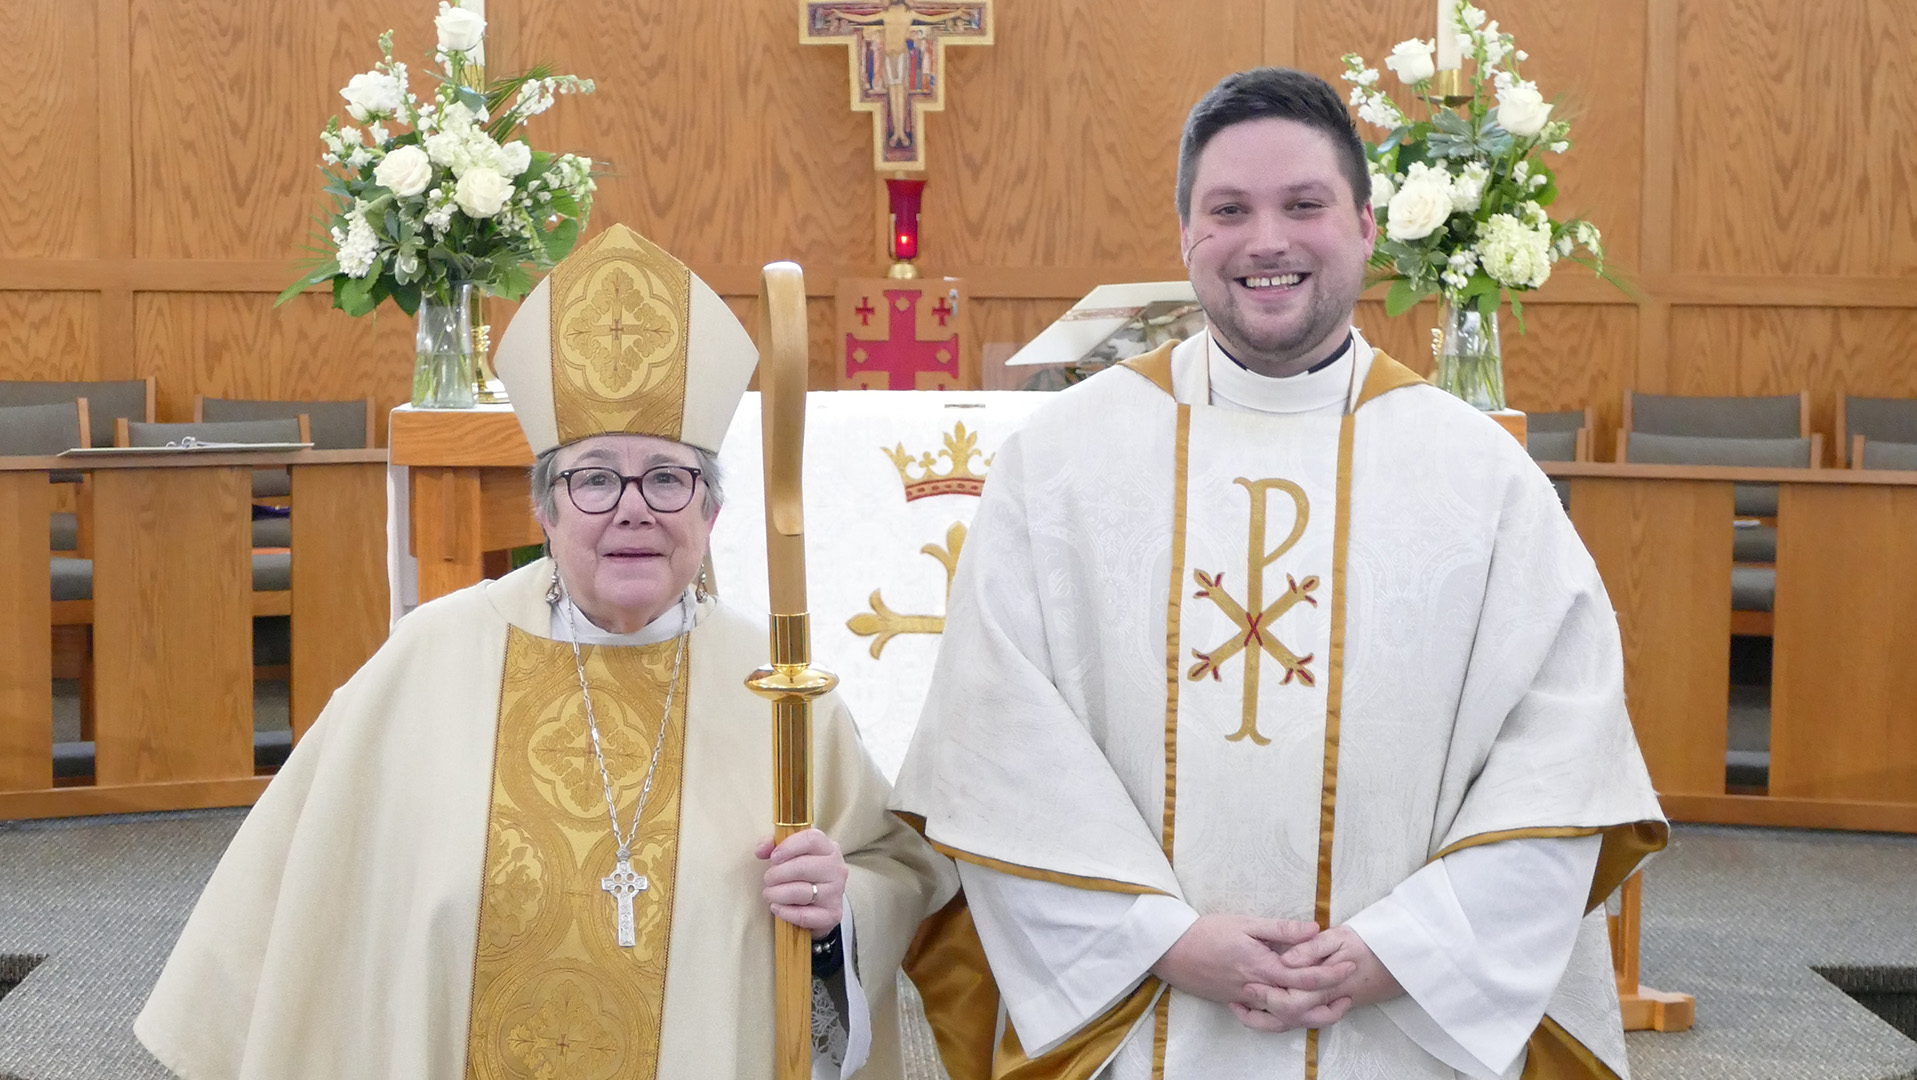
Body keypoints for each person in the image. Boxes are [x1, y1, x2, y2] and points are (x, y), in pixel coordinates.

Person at [892, 68, 1666, 1080]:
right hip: (1143, 1023)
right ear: (1183, 237)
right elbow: (996, 744)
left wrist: (1404, 948)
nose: (1267, 241)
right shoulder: (1062, 464)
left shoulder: (1482, 479)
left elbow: (1562, 755)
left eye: (1304, 205)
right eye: (1229, 210)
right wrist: (1159, 939)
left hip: (1398, 1032)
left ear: (1366, 225)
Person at [136, 224, 956, 1080]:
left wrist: (839, 910)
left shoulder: (778, 686)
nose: (632, 510)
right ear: (547, 513)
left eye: (668, 478)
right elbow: (311, 898)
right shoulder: (431, 658)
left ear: (710, 515)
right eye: (596, 477)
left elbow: (895, 866)